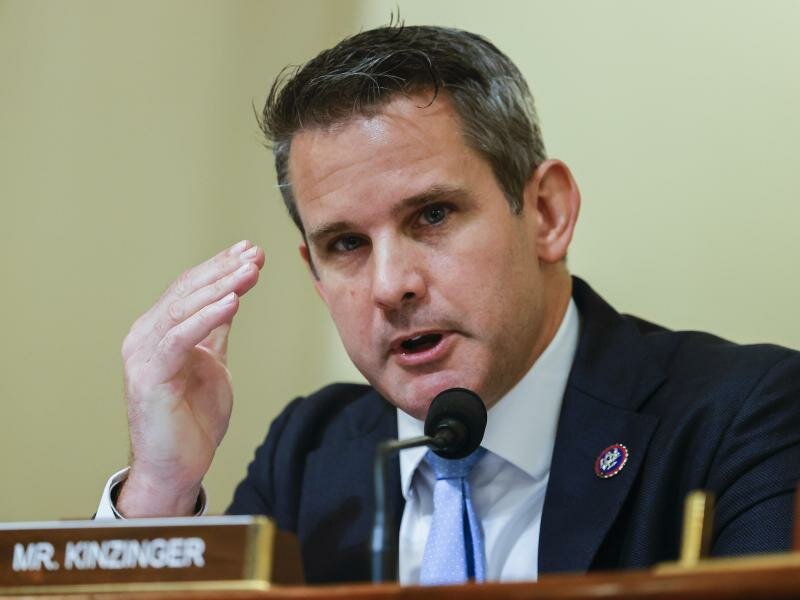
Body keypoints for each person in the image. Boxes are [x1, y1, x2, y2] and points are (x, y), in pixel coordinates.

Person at [96, 25, 800, 584]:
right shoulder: (310, 454)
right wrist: (161, 487)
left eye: (431, 215)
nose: (390, 285)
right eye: (346, 244)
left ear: (547, 213)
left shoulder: (742, 418)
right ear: (314, 272)